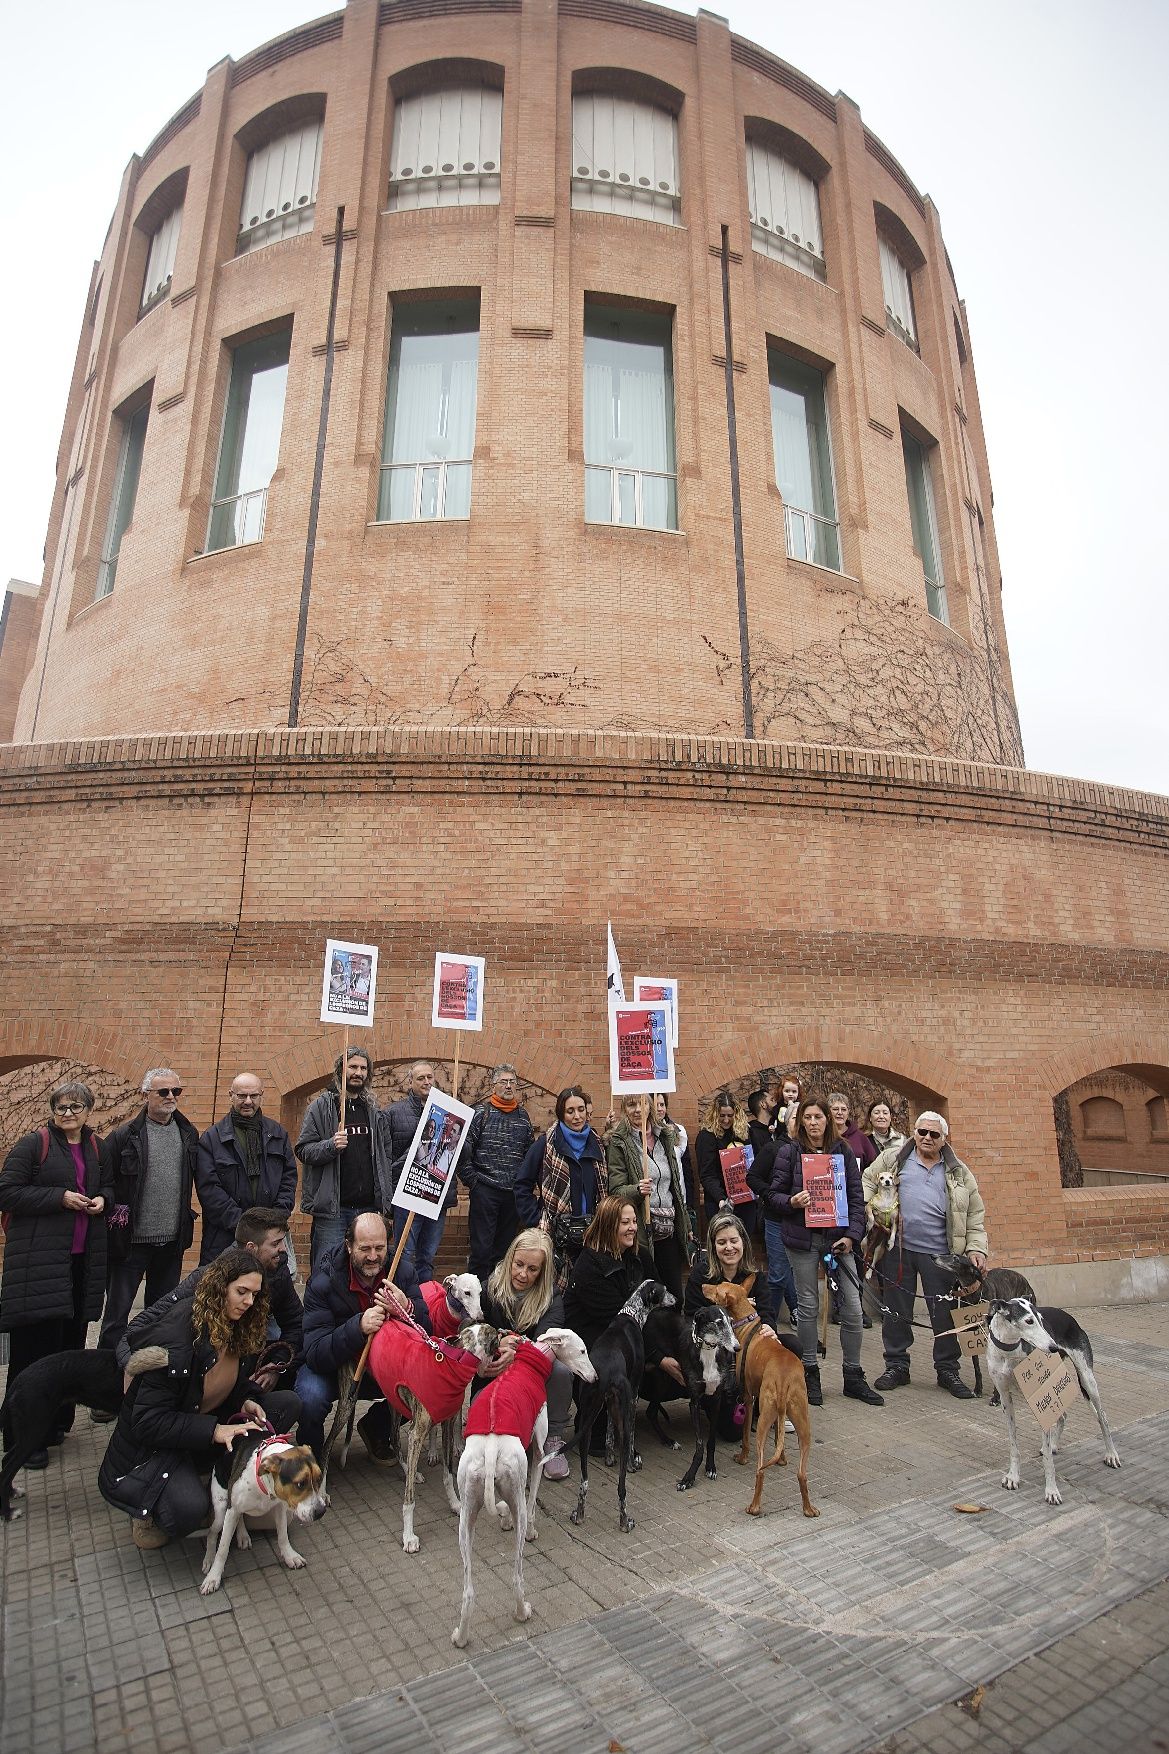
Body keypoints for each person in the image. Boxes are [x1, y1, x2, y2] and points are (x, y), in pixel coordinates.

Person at [97, 1246, 301, 1549]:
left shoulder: (240, 1323)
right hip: (154, 1450)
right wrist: (215, 1431)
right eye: (242, 1291)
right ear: (220, 1287)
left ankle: (216, 1479)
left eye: (255, 1295)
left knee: (286, 1405)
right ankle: (150, 1511)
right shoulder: (179, 1337)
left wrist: (245, 1400)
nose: (249, 1302)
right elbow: (147, 1422)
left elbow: (232, 1381)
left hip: (199, 1430)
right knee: (186, 1512)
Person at [0, 1080, 111, 1467]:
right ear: (52, 1110)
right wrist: (58, 1197)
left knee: (68, 1348)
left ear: (88, 1110)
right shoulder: (35, 1144)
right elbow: (7, 1191)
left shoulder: (97, 1147)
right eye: (61, 1107)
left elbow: (109, 1187)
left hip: (80, 1264)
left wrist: (103, 1199)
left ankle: (55, 1425)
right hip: (39, 1267)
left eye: (76, 1107)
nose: (68, 1113)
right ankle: (21, 1438)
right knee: (33, 1354)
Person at [766, 1094, 883, 1408]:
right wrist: (792, 1201)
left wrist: (852, 1236)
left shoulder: (842, 1151)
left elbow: (856, 1199)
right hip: (802, 1239)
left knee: (854, 1307)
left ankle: (853, 1374)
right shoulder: (790, 1152)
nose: (813, 1123)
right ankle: (809, 1371)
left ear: (828, 1120)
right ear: (801, 1121)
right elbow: (772, 1194)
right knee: (807, 1305)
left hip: (838, 1239)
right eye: (808, 1117)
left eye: (819, 1117)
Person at [865, 1113, 988, 1399]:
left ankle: (947, 1369)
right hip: (899, 1249)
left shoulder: (959, 1171)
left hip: (941, 1255)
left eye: (934, 1134)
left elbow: (974, 1215)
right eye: (922, 1132)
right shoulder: (895, 1158)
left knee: (944, 1313)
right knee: (896, 1310)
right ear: (914, 1132)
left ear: (945, 1138)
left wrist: (976, 1248)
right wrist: (871, 1214)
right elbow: (868, 1180)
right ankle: (896, 1365)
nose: (927, 1138)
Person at [115, 1207, 304, 1392]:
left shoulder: (278, 1273)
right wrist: (130, 1366)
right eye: (276, 1243)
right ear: (251, 1248)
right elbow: (138, 1327)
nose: (283, 1249)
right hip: (202, 1375)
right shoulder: (207, 1278)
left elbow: (296, 1324)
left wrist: (275, 1366)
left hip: (246, 1364)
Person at [294, 1210, 424, 1464]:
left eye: (380, 1248)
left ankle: (376, 1427)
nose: (373, 1257)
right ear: (348, 1246)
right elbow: (315, 1352)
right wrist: (357, 1328)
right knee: (309, 1396)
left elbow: (427, 1331)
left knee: (427, 1385)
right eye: (364, 1248)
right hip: (332, 1368)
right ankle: (310, 1458)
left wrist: (408, 1307)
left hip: (381, 1371)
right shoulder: (324, 1280)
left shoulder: (403, 1270)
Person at [97, 1069, 199, 1352]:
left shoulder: (188, 1133)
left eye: (175, 1091)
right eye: (163, 1092)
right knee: (116, 1317)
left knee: (162, 1316)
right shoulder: (123, 1136)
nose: (170, 1097)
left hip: (171, 1242)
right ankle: (105, 1375)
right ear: (146, 1094)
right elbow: (104, 1181)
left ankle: (148, 1375)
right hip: (130, 1242)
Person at [478, 1229, 574, 1479]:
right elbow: (469, 1327)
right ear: (510, 1258)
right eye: (519, 1265)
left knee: (562, 1371)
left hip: (532, 1374)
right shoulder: (488, 1288)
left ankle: (552, 1438)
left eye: (532, 1269)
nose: (523, 1274)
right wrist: (496, 1344)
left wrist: (516, 1350)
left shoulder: (551, 1297)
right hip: (493, 1374)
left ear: (542, 1272)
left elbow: (547, 1345)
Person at [296, 1048, 394, 1269]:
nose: (358, 1072)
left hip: (368, 1208)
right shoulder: (321, 1107)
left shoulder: (374, 1111)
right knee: (327, 1267)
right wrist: (330, 1146)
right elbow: (303, 1150)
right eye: (352, 1067)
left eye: (363, 1068)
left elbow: (385, 1157)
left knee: (365, 1268)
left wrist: (384, 1198)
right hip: (333, 1210)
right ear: (341, 1070)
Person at [683, 1209, 777, 1438]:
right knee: (732, 1433)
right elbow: (691, 1316)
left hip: (748, 1349)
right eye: (721, 1242)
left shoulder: (755, 1274)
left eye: (734, 1240)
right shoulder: (701, 1276)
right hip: (716, 1354)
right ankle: (719, 1402)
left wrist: (769, 1327)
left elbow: (767, 1311)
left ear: (743, 1242)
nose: (729, 1247)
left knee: (790, 1345)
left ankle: (769, 1407)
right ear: (713, 1246)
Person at [195, 1073, 297, 1263]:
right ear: (231, 1095)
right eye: (241, 1096)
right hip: (223, 1237)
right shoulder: (212, 1138)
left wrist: (273, 1221)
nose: (248, 1101)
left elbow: (288, 1180)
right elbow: (209, 1190)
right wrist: (245, 1227)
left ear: (262, 1095)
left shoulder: (278, 1134)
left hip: (269, 1238)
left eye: (254, 1096)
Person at [515, 1086, 608, 1289]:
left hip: (592, 1232)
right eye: (570, 1111)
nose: (577, 1116)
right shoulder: (546, 1144)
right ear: (561, 1113)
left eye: (581, 1109)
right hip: (555, 1233)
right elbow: (522, 1184)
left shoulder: (598, 1144)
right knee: (556, 1290)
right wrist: (536, 1218)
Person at [605, 1093, 691, 1301]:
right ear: (624, 1109)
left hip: (668, 1229)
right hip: (642, 1230)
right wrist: (636, 1189)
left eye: (642, 1104)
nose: (637, 1109)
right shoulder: (619, 1141)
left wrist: (685, 1223)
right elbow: (615, 1189)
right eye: (631, 1105)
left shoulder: (666, 1136)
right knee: (650, 1295)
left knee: (674, 1295)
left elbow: (676, 1188)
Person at [460, 1065, 535, 1279]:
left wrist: (524, 1186)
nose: (509, 1086)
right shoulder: (481, 1113)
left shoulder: (523, 1117)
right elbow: (464, 1151)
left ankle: (496, 1301)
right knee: (481, 1252)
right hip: (485, 1190)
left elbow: (529, 1153)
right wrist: (473, 1183)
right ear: (494, 1085)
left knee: (504, 1253)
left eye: (512, 1081)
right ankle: (476, 1301)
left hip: (512, 1195)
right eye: (504, 1081)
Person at [385, 1061, 453, 1280]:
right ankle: (401, 1295)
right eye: (421, 1078)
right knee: (404, 1252)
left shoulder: (450, 1112)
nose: (426, 1082)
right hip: (408, 1193)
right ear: (411, 1082)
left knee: (427, 1255)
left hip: (437, 1194)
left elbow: (462, 1153)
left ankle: (423, 1300)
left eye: (430, 1077)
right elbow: (387, 1157)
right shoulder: (395, 1113)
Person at [562, 1196, 654, 1354]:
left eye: (634, 1221)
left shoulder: (641, 1256)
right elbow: (619, 1319)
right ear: (607, 1226)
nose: (632, 1227)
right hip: (597, 1344)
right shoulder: (589, 1266)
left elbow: (659, 1296)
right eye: (625, 1223)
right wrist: (658, 1357)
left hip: (633, 1333)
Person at [745, 1089, 798, 1328]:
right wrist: (770, 1195)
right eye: (799, 1118)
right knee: (778, 1273)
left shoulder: (813, 1152)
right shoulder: (773, 1149)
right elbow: (752, 1178)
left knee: (800, 1275)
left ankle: (803, 1324)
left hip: (805, 1223)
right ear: (787, 1122)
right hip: (777, 1220)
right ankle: (769, 1325)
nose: (806, 1123)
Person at [694, 1091, 757, 1236]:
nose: (726, 1120)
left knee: (744, 1243)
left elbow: (755, 1162)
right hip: (720, 1202)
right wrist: (721, 1199)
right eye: (722, 1116)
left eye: (730, 1115)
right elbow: (707, 1174)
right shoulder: (707, 1136)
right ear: (715, 1115)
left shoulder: (745, 1132)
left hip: (745, 1200)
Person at [828, 1092, 878, 1171]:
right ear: (828, 1112)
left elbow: (874, 1166)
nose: (840, 1113)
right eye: (835, 1109)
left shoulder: (860, 1137)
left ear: (848, 1112)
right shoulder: (822, 1136)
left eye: (844, 1109)